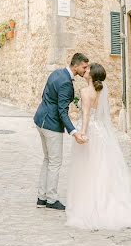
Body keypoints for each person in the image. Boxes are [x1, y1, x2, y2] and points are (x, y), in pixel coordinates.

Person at [66, 63, 131, 230]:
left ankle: (92, 204)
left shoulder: (85, 92)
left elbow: (86, 115)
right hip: (102, 134)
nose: (85, 71)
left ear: (92, 75)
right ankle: (107, 200)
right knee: (103, 168)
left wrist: (82, 133)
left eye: (87, 70)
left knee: (88, 169)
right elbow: (101, 115)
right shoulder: (101, 91)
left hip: (91, 133)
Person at [33, 53, 89, 211]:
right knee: (55, 162)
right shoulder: (66, 82)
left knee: (47, 160)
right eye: (84, 67)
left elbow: (45, 95)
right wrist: (74, 132)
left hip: (40, 120)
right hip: (51, 125)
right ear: (75, 66)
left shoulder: (57, 73)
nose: (85, 70)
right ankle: (51, 199)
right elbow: (62, 112)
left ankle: (41, 197)